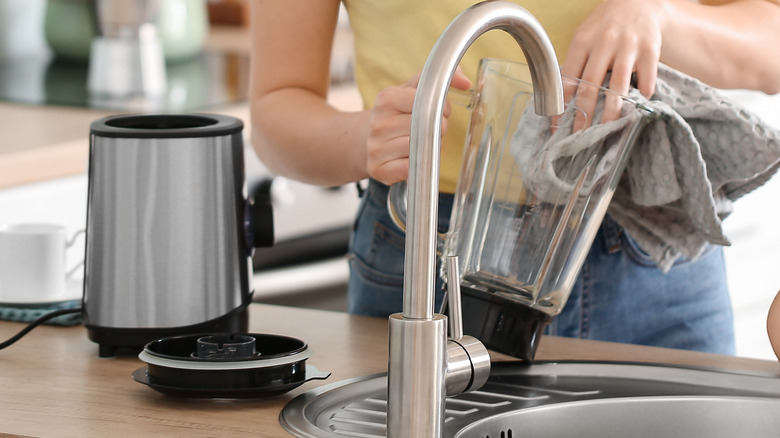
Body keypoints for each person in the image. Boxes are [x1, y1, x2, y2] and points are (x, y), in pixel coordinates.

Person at [249, 0, 780, 355]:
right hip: (427, 255)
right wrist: (362, 137)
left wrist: (662, 18)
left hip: (650, 255)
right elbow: (276, 108)